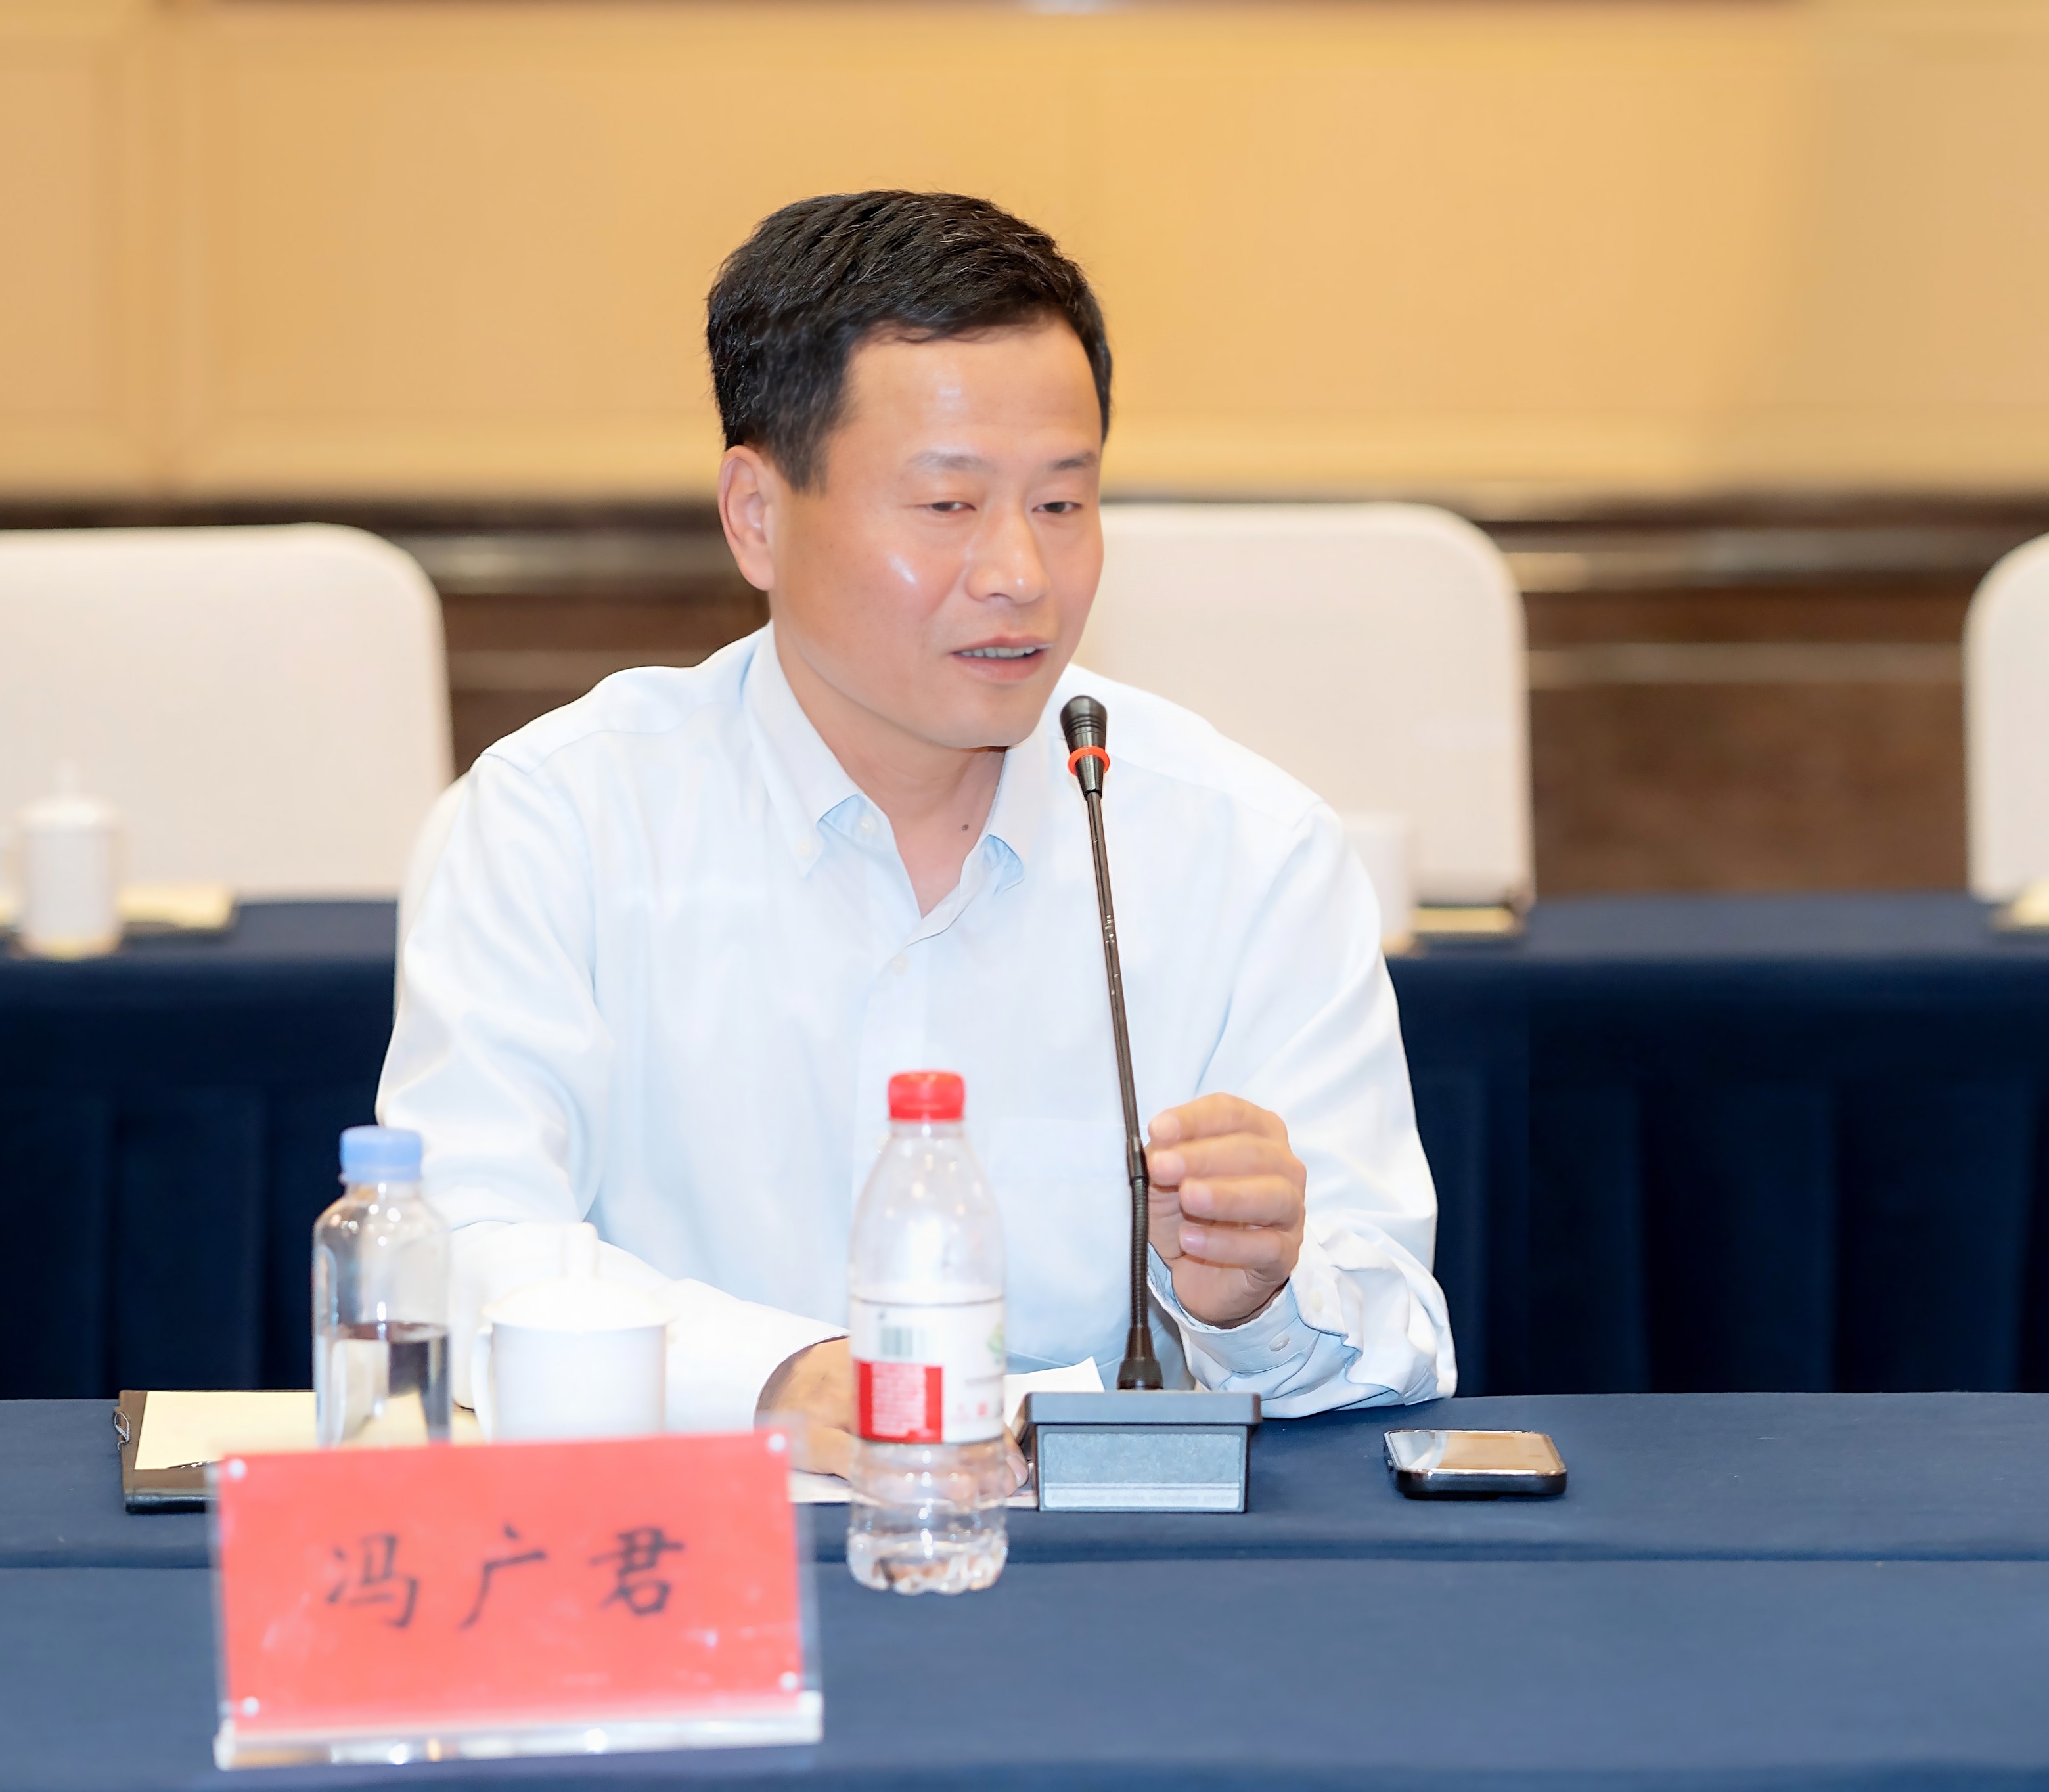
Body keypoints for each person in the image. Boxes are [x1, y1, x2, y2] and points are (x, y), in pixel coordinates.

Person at [381, 190, 1453, 1476]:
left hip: (1106, 1573)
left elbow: (1396, 1328)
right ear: (755, 515)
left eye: (1061, 505)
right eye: (947, 505)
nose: (1019, 574)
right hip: (706, 1554)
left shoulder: (1248, 849)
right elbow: (455, 1246)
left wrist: (1257, 1299)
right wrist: (774, 1376)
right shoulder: (559, 820)